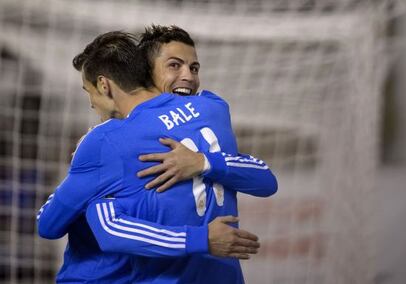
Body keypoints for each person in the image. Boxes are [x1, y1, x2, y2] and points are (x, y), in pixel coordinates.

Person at [37, 31, 276, 283]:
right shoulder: (212, 107)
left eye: (88, 92)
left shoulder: (108, 140)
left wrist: (200, 238)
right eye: (175, 65)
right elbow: (267, 181)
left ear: (104, 85)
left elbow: (52, 226)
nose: (91, 103)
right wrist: (204, 162)